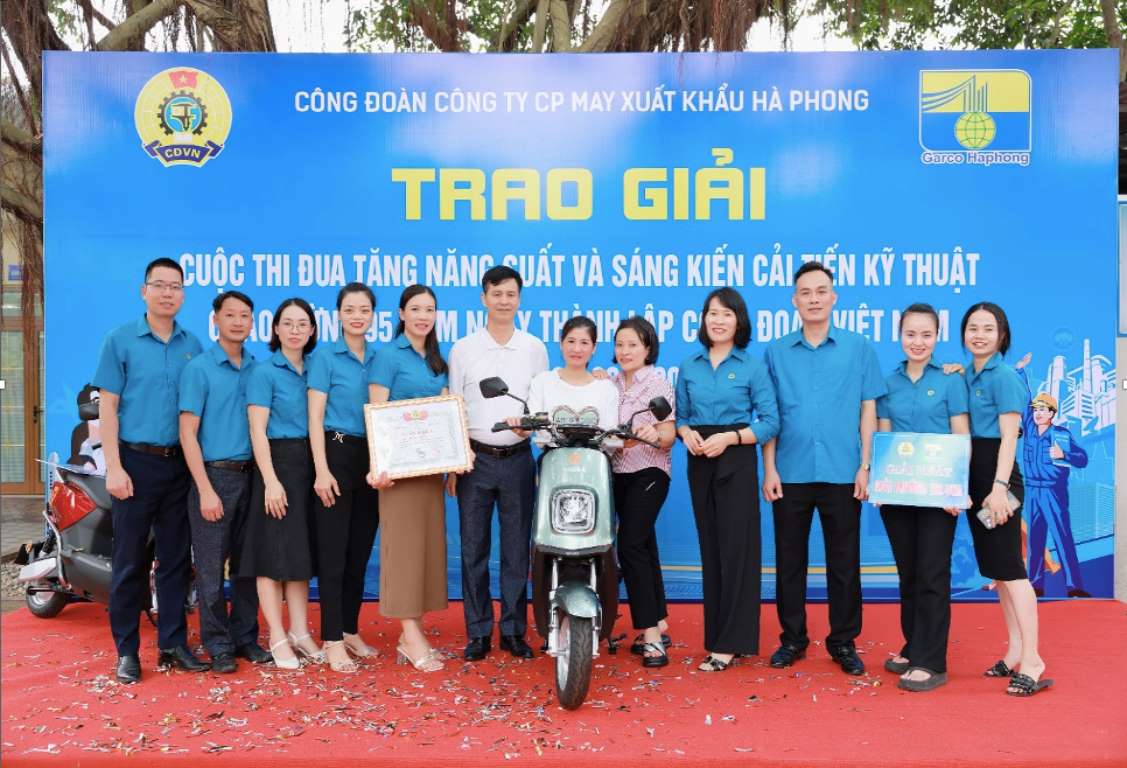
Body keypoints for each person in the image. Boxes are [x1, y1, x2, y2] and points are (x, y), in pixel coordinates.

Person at [762, 261, 886, 676]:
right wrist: (769, 469)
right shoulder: (776, 352)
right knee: (789, 561)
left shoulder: (858, 347)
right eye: (805, 292)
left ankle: (843, 641)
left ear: (834, 297)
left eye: (821, 291)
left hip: (843, 470)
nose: (813, 299)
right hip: (791, 471)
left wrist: (867, 465)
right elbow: (770, 414)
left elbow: (869, 409)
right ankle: (793, 639)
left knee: (844, 561)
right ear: (794, 300)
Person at [93, 257, 207, 684]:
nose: (167, 293)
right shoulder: (120, 341)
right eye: (159, 285)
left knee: (176, 560)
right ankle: (126, 651)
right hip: (134, 465)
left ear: (182, 293)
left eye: (175, 286)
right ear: (144, 291)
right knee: (129, 562)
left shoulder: (193, 345)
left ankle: (173, 644)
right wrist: (115, 467)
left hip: (178, 466)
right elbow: (107, 407)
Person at [447, 266, 548, 661]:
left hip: (519, 460)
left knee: (515, 551)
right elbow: (454, 405)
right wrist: (455, 463)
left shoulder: (534, 348)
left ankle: (513, 630)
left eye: (511, 294)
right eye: (497, 293)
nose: (504, 301)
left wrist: (530, 428)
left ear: (519, 299)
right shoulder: (464, 349)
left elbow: (540, 405)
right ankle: (477, 632)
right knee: (473, 549)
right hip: (475, 461)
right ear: (483, 297)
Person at [676, 288, 779, 672]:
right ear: (703, 320)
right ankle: (716, 636)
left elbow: (770, 422)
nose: (718, 321)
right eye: (711, 313)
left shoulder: (752, 366)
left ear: (739, 321)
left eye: (726, 314)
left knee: (738, 549)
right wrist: (686, 433)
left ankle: (732, 643)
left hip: (734, 455)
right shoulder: (690, 365)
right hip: (699, 457)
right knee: (711, 549)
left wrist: (732, 437)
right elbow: (682, 416)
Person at [874, 304, 969, 692]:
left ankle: (933, 662)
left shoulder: (950, 381)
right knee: (909, 572)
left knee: (932, 573)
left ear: (937, 336)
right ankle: (914, 645)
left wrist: (958, 490)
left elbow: (961, 436)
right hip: (898, 493)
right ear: (900, 336)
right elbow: (883, 434)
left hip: (939, 495)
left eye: (926, 335)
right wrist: (879, 484)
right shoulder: (888, 382)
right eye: (911, 334)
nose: (918, 342)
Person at [961, 302, 1051, 696]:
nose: (979, 334)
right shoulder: (966, 374)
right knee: (998, 572)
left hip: (999, 480)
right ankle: (1015, 649)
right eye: (973, 327)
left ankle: (1033, 659)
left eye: (988, 328)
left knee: (1012, 572)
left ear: (1002, 336)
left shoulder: (1005, 378)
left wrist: (999, 488)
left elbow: (1010, 438)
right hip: (974, 476)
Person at [178, 291, 269, 674]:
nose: (237, 322)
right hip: (215, 476)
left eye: (244, 316)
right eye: (229, 315)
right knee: (212, 570)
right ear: (215, 319)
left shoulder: (258, 368)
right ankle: (217, 643)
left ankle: (245, 637)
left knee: (248, 566)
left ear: (252, 322)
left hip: (254, 477)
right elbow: (187, 433)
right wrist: (205, 489)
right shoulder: (199, 368)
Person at [366, 285, 452, 673]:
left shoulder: (437, 360)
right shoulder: (387, 356)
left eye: (429, 309)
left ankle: (411, 633)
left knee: (425, 551)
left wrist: (453, 463)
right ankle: (409, 632)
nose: (422, 315)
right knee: (401, 551)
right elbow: (377, 413)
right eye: (415, 308)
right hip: (397, 472)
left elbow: (447, 415)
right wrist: (379, 464)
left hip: (432, 471)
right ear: (401, 314)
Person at [241, 298, 323, 670]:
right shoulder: (264, 371)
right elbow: (257, 429)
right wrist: (271, 480)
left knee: (299, 554)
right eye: (287, 323)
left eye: (302, 323)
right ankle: (276, 634)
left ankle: (300, 631)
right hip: (275, 465)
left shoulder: (315, 369)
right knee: (271, 555)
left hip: (308, 465)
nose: (295, 330)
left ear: (312, 330)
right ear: (275, 329)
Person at [309, 282, 380, 673]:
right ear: (338, 314)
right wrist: (321, 469)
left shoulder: (379, 358)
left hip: (371, 457)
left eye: (364, 310)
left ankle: (350, 628)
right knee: (333, 555)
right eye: (350, 309)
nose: (357, 316)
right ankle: (331, 638)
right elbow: (315, 418)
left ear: (373, 315)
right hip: (335, 454)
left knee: (359, 552)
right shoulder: (325, 358)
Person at [610, 317, 676, 668]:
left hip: (650, 471)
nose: (625, 351)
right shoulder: (609, 382)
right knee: (645, 544)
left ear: (648, 347)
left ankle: (651, 635)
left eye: (633, 344)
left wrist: (654, 436)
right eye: (620, 344)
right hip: (616, 472)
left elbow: (668, 437)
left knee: (631, 544)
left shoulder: (658, 384)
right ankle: (661, 618)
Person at [1014, 356, 1090, 598]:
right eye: (1036, 410)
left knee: (1062, 537)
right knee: (1036, 540)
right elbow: (1025, 398)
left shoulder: (1062, 435)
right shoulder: (1029, 427)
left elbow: (1082, 459)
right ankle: (1035, 585)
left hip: (1054, 491)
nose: (1037, 413)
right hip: (1033, 490)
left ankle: (1074, 586)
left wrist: (1064, 453)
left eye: (1042, 410)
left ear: (1052, 413)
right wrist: (1020, 372)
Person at [526, 316, 620, 437]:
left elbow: (610, 434)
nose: (576, 349)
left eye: (584, 343)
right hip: (551, 454)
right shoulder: (542, 382)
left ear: (594, 348)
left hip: (595, 455)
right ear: (561, 343)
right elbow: (534, 425)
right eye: (571, 341)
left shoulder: (607, 388)